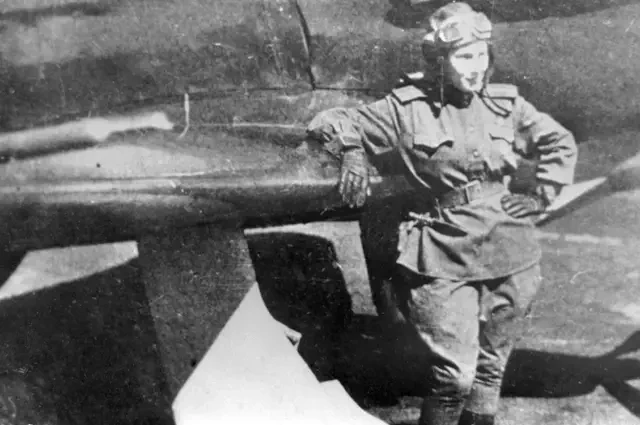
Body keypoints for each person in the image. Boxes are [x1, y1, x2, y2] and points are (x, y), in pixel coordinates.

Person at [306, 2, 578, 425]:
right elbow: (330, 119)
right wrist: (354, 151)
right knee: (454, 376)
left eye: (481, 55)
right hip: (444, 250)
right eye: (465, 57)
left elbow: (560, 142)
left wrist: (541, 196)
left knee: (490, 372)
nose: (476, 67)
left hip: (511, 247)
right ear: (439, 61)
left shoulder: (505, 104)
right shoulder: (405, 108)